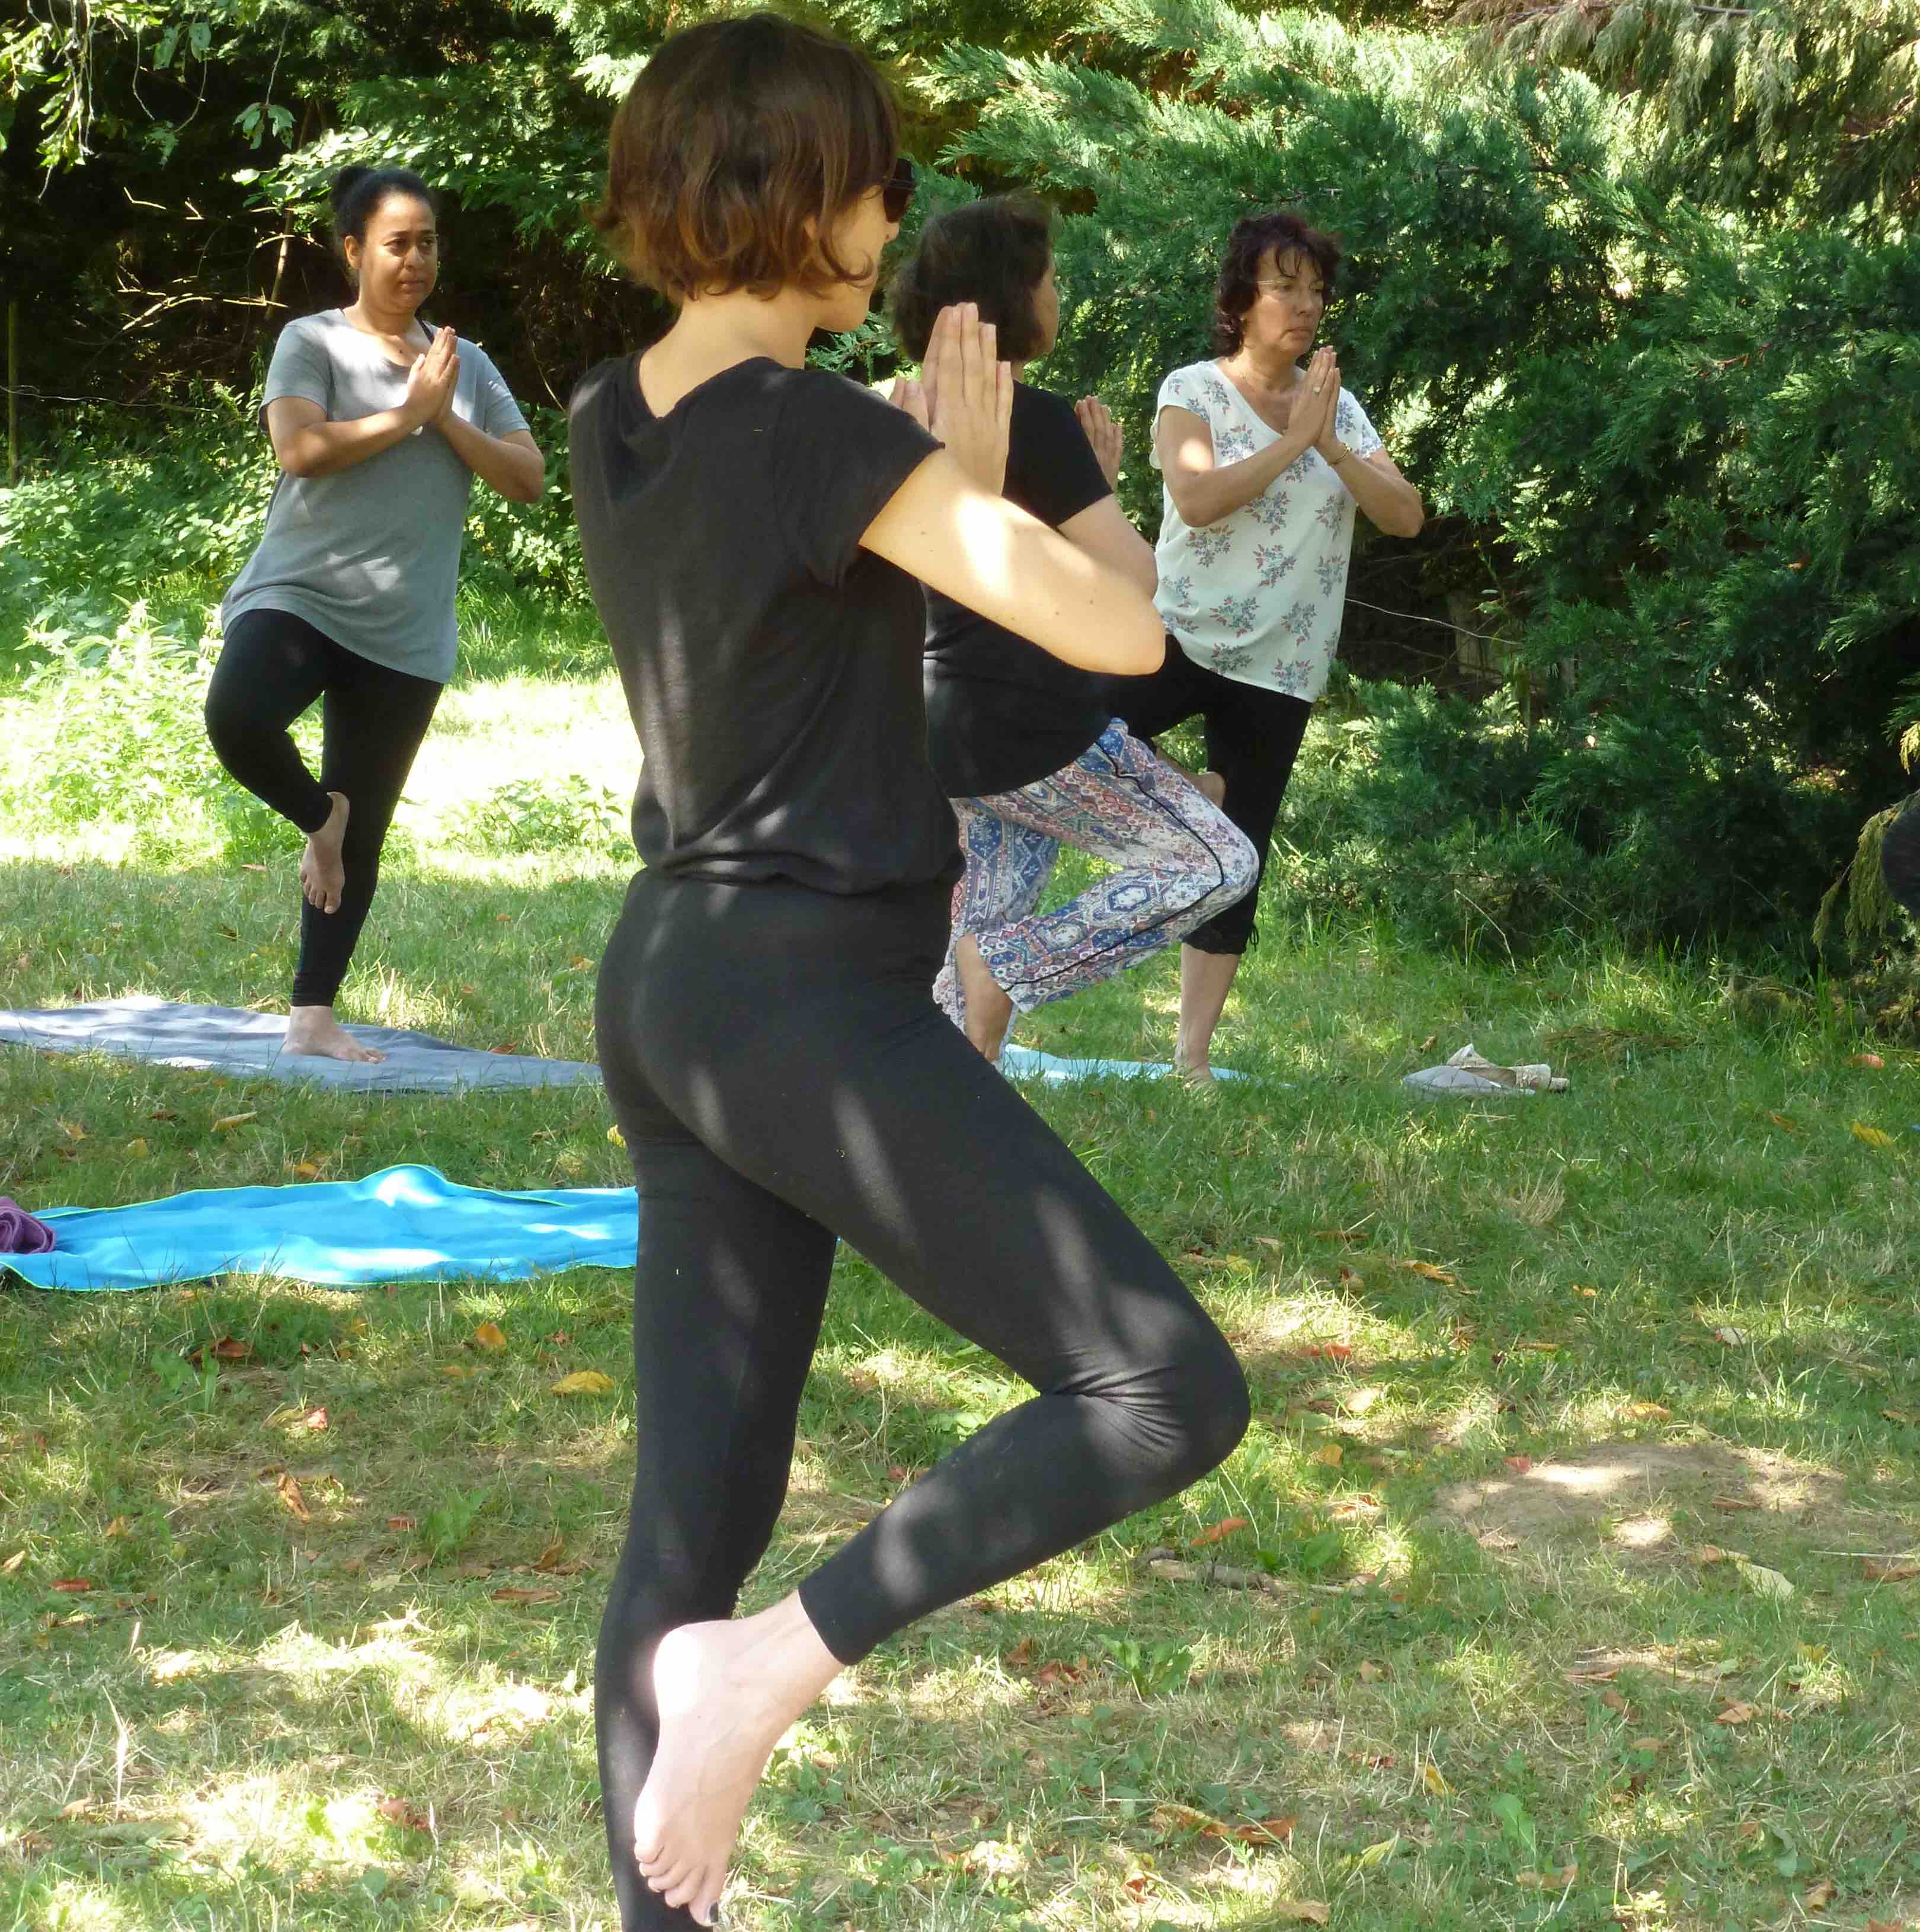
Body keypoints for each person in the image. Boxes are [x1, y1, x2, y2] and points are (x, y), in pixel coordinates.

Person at [569, 17, 1250, 1928]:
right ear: (801, 197)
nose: (893, 215)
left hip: (671, 987)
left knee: (686, 1531)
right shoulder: (830, 438)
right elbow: (1122, 631)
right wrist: (986, 476)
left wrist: (918, 477)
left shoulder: (616, 408)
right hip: (801, 998)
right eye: (878, 180)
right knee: (1161, 1384)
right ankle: (772, 1669)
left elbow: (785, 574)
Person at [890, 197, 1258, 1062]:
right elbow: (1133, 580)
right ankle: (1008, 967)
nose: (1058, 296)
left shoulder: (898, 412)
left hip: (937, 726)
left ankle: (953, 1096)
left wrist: (1078, 492)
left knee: (972, 950)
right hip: (1036, 726)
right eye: (1050, 279)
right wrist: (1094, 486)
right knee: (1214, 863)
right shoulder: (1034, 416)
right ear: (1012, 295)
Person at [204, 165, 545, 1061]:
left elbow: (528, 479)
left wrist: (444, 415)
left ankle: (312, 1016)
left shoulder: (465, 365)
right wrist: (407, 413)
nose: (417, 259)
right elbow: (300, 449)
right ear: (355, 251)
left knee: (370, 826)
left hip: (404, 629)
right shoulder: (311, 340)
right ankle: (320, 818)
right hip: (300, 595)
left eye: (428, 242)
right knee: (237, 717)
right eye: (398, 243)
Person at [1106, 210, 1426, 1081]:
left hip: (1282, 664)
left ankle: (1192, 1060)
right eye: (1286, 286)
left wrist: (1332, 446)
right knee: (1067, 733)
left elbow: (1406, 516)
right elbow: (1198, 498)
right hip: (1176, 633)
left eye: (1317, 290)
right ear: (1241, 300)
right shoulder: (1192, 390)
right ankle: (1190, 796)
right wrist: (1293, 444)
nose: (1307, 304)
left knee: (1238, 859)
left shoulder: (1338, 409)